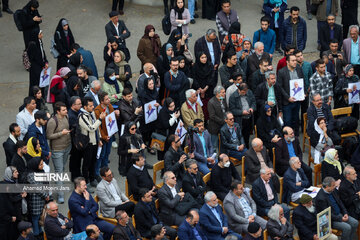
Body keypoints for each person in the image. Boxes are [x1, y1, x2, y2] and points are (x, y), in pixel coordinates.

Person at [46, 102, 71, 203]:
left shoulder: (66, 117)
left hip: (67, 147)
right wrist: (61, 133)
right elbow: (49, 136)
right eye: (64, 110)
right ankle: (60, 194)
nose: (66, 111)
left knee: (62, 168)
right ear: (58, 111)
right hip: (57, 150)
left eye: (66, 109)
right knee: (59, 171)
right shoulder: (52, 121)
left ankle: (59, 183)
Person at [79, 97, 105, 191]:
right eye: (90, 106)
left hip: (95, 142)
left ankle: (92, 178)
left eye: (93, 105)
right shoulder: (82, 116)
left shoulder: (92, 113)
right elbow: (91, 128)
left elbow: (97, 129)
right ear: (85, 107)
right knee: (86, 164)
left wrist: (99, 139)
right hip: (88, 143)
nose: (93, 107)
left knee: (93, 162)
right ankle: (86, 183)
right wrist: (100, 120)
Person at [94, 92, 120, 179]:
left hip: (110, 134)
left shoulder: (109, 106)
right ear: (101, 102)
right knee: (101, 155)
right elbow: (98, 127)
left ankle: (105, 170)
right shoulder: (97, 111)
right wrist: (104, 137)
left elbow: (113, 120)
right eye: (107, 99)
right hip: (103, 137)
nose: (109, 100)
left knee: (107, 153)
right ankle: (97, 172)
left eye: (109, 98)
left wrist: (116, 115)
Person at [277, 54, 304, 136]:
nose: (295, 62)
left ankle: (295, 137)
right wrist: (288, 97)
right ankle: (287, 137)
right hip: (287, 102)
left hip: (297, 100)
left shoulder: (299, 69)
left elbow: (302, 82)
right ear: (287, 62)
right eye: (293, 60)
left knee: (295, 119)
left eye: (295, 60)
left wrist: (302, 94)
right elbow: (280, 87)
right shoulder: (281, 72)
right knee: (287, 121)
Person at [26, 157, 49, 238]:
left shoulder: (39, 172)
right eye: (41, 164)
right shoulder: (31, 175)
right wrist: (46, 196)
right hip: (35, 202)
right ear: (35, 165)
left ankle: (40, 234)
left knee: (39, 219)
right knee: (35, 220)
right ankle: (36, 235)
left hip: (40, 202)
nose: (42, 166)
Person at [229, 83, 256, 148]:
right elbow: (232, 110)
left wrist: (252, 108)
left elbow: (253, 102)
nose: (244, 93)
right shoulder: (233, 97)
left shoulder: (249, 92)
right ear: (239, 90)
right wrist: (241, 112)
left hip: (249, 118)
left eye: (245, 92)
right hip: (240, 120)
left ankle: (247, 148)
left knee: (247, 136)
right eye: (243, 92)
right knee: (240, 136)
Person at [294, 50, 312, 132]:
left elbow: (310, 77)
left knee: (304, 110)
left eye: (301, 55)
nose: (300, 57)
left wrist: (309, 88)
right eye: (298, 56)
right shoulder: (293, 65)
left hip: (305, 92)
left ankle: (304, 127)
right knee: (296, 111)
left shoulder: (308, 65)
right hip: (296, 92)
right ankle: (296, 127)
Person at [27, 29, 48, 96]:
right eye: (40, 34)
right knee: (37, 82)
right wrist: (43, 64)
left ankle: (41, 95)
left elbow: (42, 53)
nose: (42, 35)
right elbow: (36, 57)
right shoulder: (33, 44)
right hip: (36, 68)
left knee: (42, 82)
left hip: (40, 65)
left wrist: (46, 61)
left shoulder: (39, 42)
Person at [68, 96, 83, 181]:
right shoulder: (71, 116)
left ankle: (78, 173)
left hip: (79, 140)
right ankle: (74, 176)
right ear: (73, 105)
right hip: (74, 142)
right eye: (79, 104)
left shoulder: (79, 112)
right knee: (75, 159)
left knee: (78, 159)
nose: (81, 105)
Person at [208, 86, 227, 151]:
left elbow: (226, 110)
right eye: (223, 92)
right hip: (215, 127)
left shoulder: (223, 100)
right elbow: (212, 116)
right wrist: (223, 121)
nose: (225, 93)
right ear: (217, 93)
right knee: (214, 145)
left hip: (223, 125)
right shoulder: (211, 102)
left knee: (222, 144)